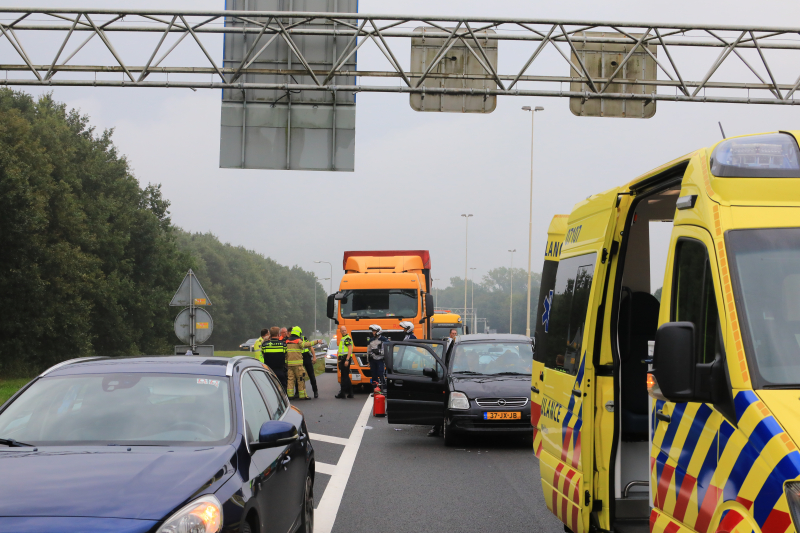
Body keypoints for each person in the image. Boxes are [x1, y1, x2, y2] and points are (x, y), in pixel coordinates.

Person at [285, 326, 323, 399]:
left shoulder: (288, 341)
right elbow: (306, 345)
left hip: (301, 359)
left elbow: (286, 353)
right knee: (300, 378)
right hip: (298, 361)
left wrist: (314, 356)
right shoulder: (297, 340)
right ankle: (300, 395)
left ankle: (291, 395)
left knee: (292, 379)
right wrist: (317, 341)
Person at [261, 327, 288, 392]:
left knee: (270, 389)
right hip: (280, 370)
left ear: (270, 334)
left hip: (269, 370)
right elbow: (286, 356)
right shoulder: (283, 345)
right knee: (283, 390)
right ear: (279, 334)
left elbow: (263, 355)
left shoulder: (265, 345)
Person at [366, 324, 389, 392]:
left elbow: (387, 350)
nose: (373, 333)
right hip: (373, 360)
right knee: (373, 374)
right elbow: (368, 351)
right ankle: (375, 388)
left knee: (381, 373)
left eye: (374, 331)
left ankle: (384, 388)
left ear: (378, 331)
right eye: (373, 331)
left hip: (380, 360)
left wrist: (379, 352)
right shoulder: (371, 340)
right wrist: (368, 361)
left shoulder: (384, 340)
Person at [335, 325, 355, 399]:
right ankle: (350, 393)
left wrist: (347, 359)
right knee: (345, 376)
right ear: (340, 331)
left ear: (346, 330)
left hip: (345, 359)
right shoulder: (343, 338)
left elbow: (350, 349)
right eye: (342, 330)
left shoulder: (347, 338)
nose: (343, 332)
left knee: (344, 377)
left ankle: (343, 393)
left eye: (344, 330)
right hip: (342, 359)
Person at [301, 331, 320, 399]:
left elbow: (310, 347)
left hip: (306, 357)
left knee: (311, 375)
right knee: (300, 376)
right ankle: (300, 392)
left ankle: (315, 391)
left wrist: (314, 357)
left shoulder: (304, 338)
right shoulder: (293, 340)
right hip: (299, 358)